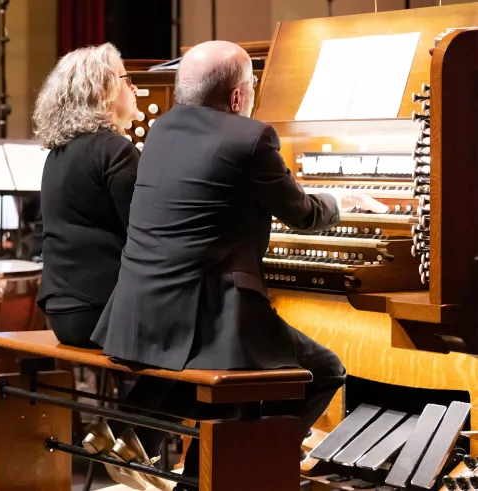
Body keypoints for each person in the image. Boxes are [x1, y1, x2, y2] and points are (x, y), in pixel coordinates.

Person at [88, 41, 388, 489]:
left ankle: (195, 465)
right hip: (205, 314)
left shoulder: (163, 129)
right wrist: (341, 199)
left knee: (232, 382)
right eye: (252, 85)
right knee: (325, 370)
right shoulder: (251, 137)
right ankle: (253, 466)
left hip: (140, 310)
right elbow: (302, 214)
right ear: (236, 97)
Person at [32, 42, 139, 349]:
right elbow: (146, 232)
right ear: (105, 89)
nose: (133, 87)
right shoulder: (115, 150)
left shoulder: (59, 152)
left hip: (61, 310)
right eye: (125, 79)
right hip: (101, 311)